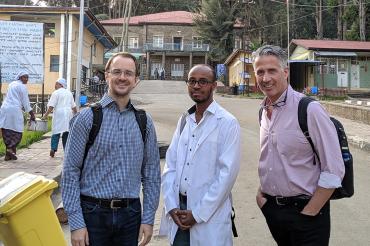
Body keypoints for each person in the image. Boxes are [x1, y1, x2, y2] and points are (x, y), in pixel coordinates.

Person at [61, 52, 161, 246]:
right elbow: (70, 172)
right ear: (106, 75)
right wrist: (76, 223)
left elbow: (151, 174)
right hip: (92, 215)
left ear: (136, 80)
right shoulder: (87, 118)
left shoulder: (144, 122)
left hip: (130, 216)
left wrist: (148, 219)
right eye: (116, 72)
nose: (122, 77)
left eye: (128, 73)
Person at [254, 45, 345, 246]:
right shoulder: (263, 111)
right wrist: (262, 197)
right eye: (260, 72)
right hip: (273, 211)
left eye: (272, 71)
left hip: (307, 214)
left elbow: (334, 169)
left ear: (285, 72)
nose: (265, 78)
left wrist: (310, 211)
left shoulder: (309, 109)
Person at [160, 64, 241, 245]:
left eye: (203, 82)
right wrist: (171, 206)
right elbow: (170, 165)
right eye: (192, 81)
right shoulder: (184, 120)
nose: (196, 86)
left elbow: (226, 176)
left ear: (214, 86)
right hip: (179, 213)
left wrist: (197, 214)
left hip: (208, 216)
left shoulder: (227, 122)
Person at [0, 71, 35, 161]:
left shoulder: (11, 84)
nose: (26, 79)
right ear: (20, 77)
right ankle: (10, 149)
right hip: (14, 109)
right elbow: (26, 103)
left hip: (4, 108)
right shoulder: (22, 87)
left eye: (27, 77)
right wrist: (32, 114)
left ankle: (8, 155)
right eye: (24, 77)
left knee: (6, 129)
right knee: (18, 130)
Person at [42, 78, 77, 158]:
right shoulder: (69, 93)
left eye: (56, 83)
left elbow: (51, 106)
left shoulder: (56, 93)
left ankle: (53, 149)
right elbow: (73, 106)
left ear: (61, 85)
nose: (55, 85)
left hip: (59, 113)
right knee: (66, 132)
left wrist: (45, 115)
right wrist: (76, 116)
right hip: (68, 114)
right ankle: (66, 150)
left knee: (56, 132)